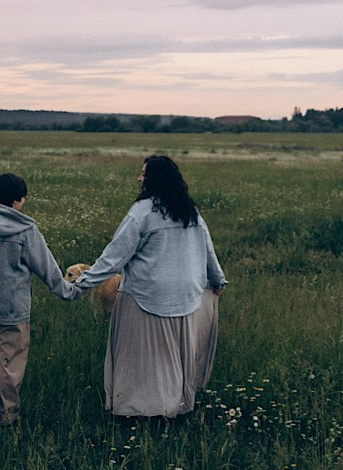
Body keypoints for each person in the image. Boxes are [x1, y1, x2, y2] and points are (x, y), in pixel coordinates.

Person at [67, 156, 226, 419]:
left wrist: (80, 286)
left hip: (146, 297)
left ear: (154, 180)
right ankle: (174, 407)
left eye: (144, 174)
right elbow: (208, 251)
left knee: (142, 360)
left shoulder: (141, 213)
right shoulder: (190, 212)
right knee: (174, 357)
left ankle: (140, 411)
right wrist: (217, 281)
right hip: (186, 298)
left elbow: (113, 258)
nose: (139, 178)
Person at [0, 171, 77, 426]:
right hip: (12, 310)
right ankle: (6, 418)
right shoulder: (25, 230)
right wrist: (67, 291)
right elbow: (46, 267)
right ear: (18, 200)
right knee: (9, 363)